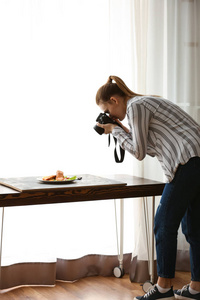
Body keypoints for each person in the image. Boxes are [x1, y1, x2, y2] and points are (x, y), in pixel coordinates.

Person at [95, 75, 200, 300]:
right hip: (196, 160)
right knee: (194, 227)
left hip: (187, 160)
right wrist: (120, 127)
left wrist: (113, 130)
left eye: (107, 110)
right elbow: (148, 145)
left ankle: (163, 288)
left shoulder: (136, 106)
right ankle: (196, 288)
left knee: (163, 223)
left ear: (114, 100)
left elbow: (139, 152)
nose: (109, 116)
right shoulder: (141, 105)